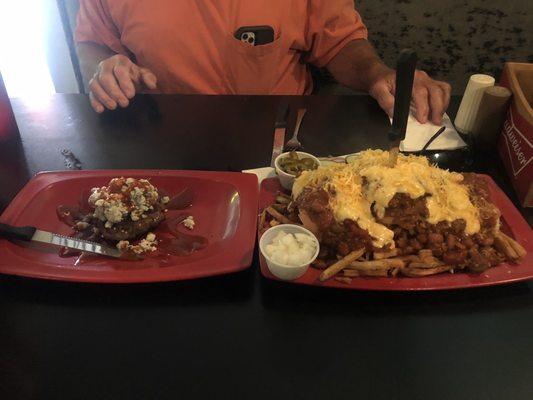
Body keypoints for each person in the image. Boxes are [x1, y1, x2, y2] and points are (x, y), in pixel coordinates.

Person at [75, 0, 451, 124]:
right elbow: (94, 41)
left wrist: (377, 74)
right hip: (164, 131)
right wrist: (106, 68)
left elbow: (340, 44)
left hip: (283, 134)